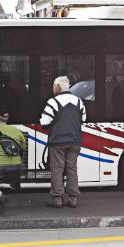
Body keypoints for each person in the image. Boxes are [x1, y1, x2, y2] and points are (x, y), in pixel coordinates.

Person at [39, 75, 84, 208]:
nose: (52, 89)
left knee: (57, 168)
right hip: (75, 140)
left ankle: (57, 198)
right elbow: (83, 119)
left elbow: (44, 122)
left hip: (58, 141)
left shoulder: (53, 102)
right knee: (71, 168)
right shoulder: (79, 101)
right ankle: (73, 198)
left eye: (53, 86)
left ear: (58, 87)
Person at [0, 104, 27, 192]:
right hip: (13, 165)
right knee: (15, 165)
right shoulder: (17, 131)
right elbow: (23, 148)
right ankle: (15, 188)